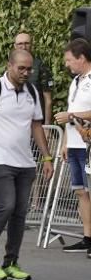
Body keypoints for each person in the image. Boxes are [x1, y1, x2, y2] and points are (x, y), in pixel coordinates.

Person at [0, 49, 54, 280]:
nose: (26, 72)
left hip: (24, 162)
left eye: (29, 68)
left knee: (19, 212)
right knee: (6, 205)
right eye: (21, 68)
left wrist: (46, 157)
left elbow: (36, 126)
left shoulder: (32, 92)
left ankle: (11, 262)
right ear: (10, 65)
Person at [52, 38, 91, 254]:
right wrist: (65, 143)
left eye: (69, 60)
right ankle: (88, 237)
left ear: (81, 58)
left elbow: (75, 113)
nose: (66, 64)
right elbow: (70, 113)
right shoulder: (75, 81)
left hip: (89, 144)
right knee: (80, 191)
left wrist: (72, 115)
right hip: (75, 144)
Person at [13, 32, 53, 123]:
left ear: (32, 45)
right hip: (15, 122)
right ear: (15, 46)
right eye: (20, 44)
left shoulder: (40, 66)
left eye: (27, 43)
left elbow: (48, 100)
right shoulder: (11, 67)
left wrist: (47, 126)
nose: (24, 46)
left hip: (36, 122)